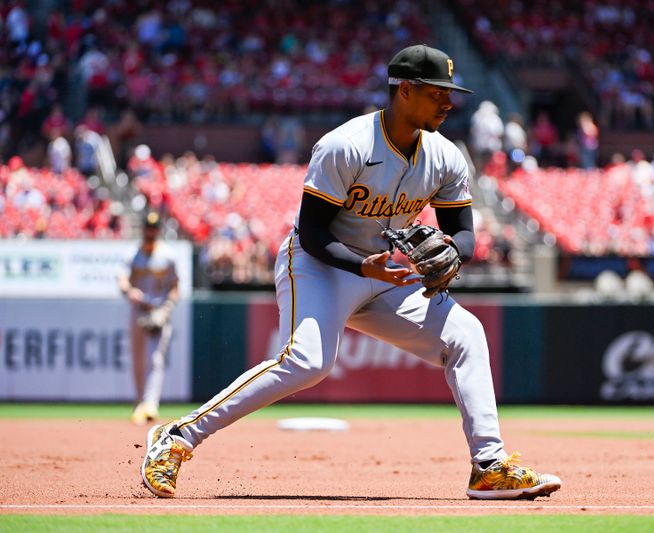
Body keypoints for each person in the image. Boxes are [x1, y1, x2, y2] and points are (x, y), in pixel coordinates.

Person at [140, 44, 562, 500]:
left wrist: (453, 255)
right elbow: (314, 233)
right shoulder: (346, 145)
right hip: (318, 264)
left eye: (449, 93)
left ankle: (489, 466)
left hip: (382, 274)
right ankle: (177, 437)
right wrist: (362, 266)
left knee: (466, 334)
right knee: (307, 363)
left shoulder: (445, 156)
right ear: (404, 90)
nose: (448, 102)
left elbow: (463, 233)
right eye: (437, 92)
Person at [119, 212, 179, 425]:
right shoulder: (132, 254)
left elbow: (175, 286)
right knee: (137, 358)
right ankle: (139, 402)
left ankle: (150, 404)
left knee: (155, 359)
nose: (151, 231)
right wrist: (129, 290)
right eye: (148, 227)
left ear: (158, 231)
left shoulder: (168, 256)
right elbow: (122, 279)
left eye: (154, 228)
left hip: (159, 310)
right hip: (138, 310)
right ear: (143, 229)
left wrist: (167, 308)